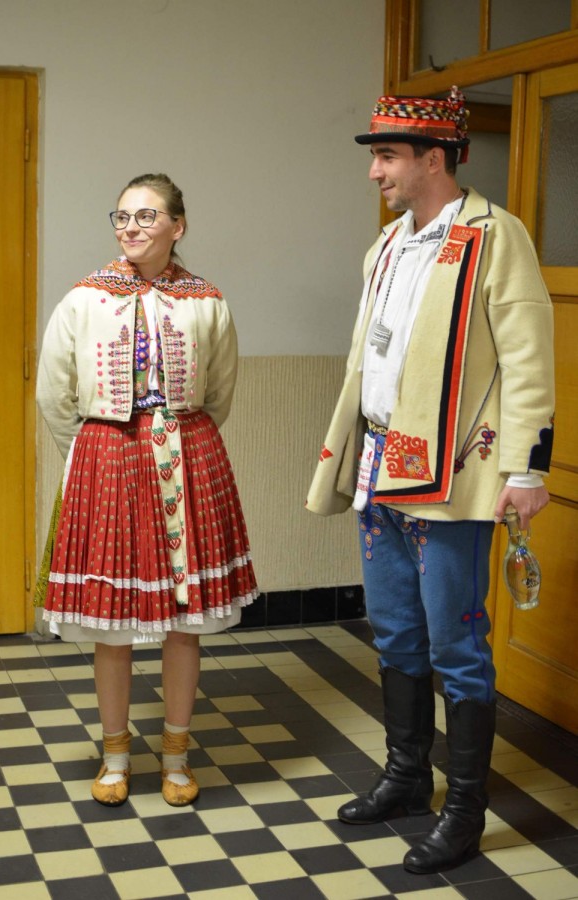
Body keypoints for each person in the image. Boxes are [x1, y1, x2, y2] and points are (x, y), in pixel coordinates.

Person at [307, 88, 555, 874]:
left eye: (387, 156)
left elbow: (527, 358)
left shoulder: (496, 236)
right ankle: (408, 777)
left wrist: (527, 467)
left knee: (457, 642)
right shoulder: (386, 245)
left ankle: (465, 809)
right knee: (395, 629)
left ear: (434, 158)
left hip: (456, 471)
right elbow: (372, 356)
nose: (374, 171)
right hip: (381, 463)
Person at [37, 173, 258, 808]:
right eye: (122, 216)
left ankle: (176, 755)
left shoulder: (206, 301)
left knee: (183, 621)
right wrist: (90, 454)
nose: (130, 227)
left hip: (189, 455)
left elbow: (219, 391)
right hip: (107, 455)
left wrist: (181, 438)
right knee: (112, 625)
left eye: (146, 216)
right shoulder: (83, 299)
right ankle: (115, 755)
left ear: (176, 227)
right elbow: (54, 394)